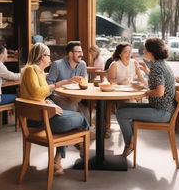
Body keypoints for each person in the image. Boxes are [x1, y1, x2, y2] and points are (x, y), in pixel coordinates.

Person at [20, 43, 89, 175]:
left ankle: (57, 161)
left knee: (73, 117)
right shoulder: (31, 70)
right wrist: (59, 84)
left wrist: (48, 102)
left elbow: (37, 96)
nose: (50, 58)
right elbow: (37, 93)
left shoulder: (38, 72)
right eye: (48, 55)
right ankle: (82, 147)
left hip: (43, 114)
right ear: (42, 57)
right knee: (81, 119)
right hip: (39, 120)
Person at [116, 38, 175, 157]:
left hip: (161, 112)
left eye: (145, 49)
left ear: (151, 52)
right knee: (122, 106)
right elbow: (158, 82)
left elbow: (159, 92)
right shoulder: (161, 64)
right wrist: (146, 73)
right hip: (163, 108)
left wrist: (146, 92)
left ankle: (130, 145)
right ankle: (132, 140)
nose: (143, 51)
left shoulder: (157, 67)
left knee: (121, 114)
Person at [104, 43, 147, 138]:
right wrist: (120, 83)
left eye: (129, 52)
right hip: (116, 93)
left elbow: (141, 79)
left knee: (132, 104)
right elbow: (111, 83)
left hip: (129, 93)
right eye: (125, 52)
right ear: (120, 53)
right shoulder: (114, 65)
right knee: (108, 103)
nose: (128, 54)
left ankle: (130, 129)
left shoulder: (134, 63)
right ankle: (107, 128)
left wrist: (145, 85)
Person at [46, 41, 89, 120]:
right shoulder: (57, 65)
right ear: (70, 54)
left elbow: (85, 81)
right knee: (73, 107)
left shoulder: (82, 64)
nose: (82, 54)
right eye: (78, 52)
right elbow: (49, 85)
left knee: (86, 109)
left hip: (75, 96)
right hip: (58, 96)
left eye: (81, 51)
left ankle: (83, 129)